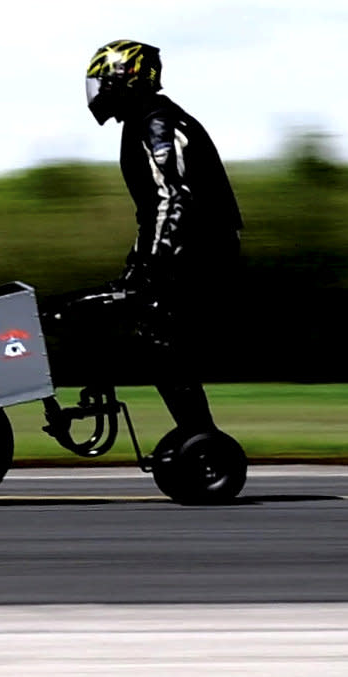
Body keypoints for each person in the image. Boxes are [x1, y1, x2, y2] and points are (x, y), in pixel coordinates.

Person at [85, 39, 244, 441]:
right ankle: (196, 435)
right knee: (148, 333)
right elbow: (152, 212)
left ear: (130, 76)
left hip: (202, 252)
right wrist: (136, 264)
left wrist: (153, 265)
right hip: (190, 249)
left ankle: (200, 438)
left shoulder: (156, 120)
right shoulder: (143, 119)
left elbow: (171, 197)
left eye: (104, 81)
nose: (98, 91)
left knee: (159, 336)